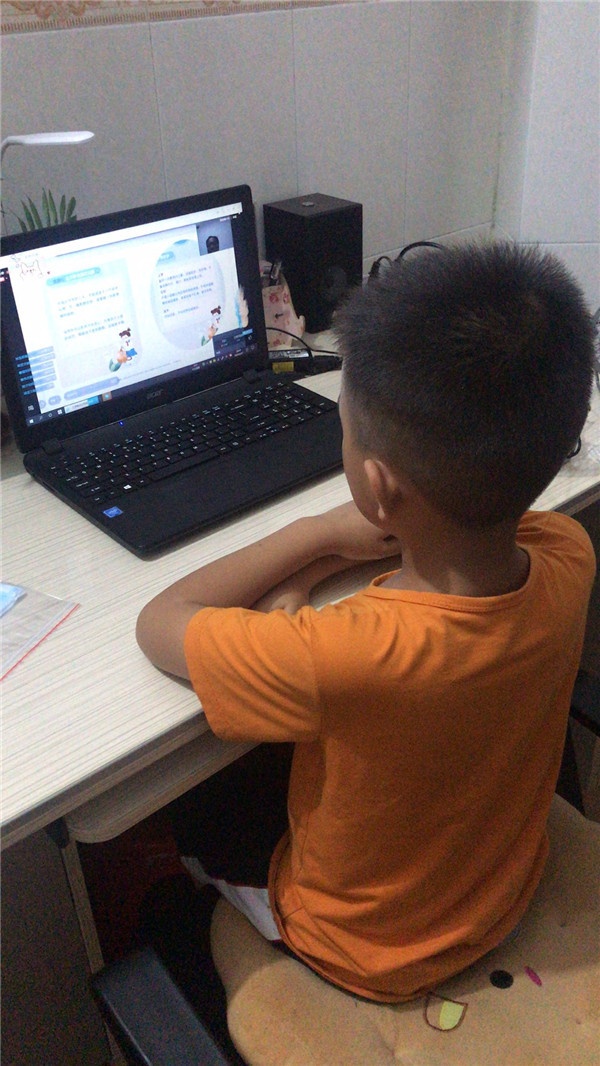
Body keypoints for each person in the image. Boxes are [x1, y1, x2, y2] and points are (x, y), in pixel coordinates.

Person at [136, 241, 596, 1003]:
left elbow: (159, 622)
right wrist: (313, 586)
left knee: (188, 807)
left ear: (377, 488)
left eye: (345, 431)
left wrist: (314, 536)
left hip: (361, 951)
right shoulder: (570, 553)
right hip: (499, 887)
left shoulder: (339, 656)